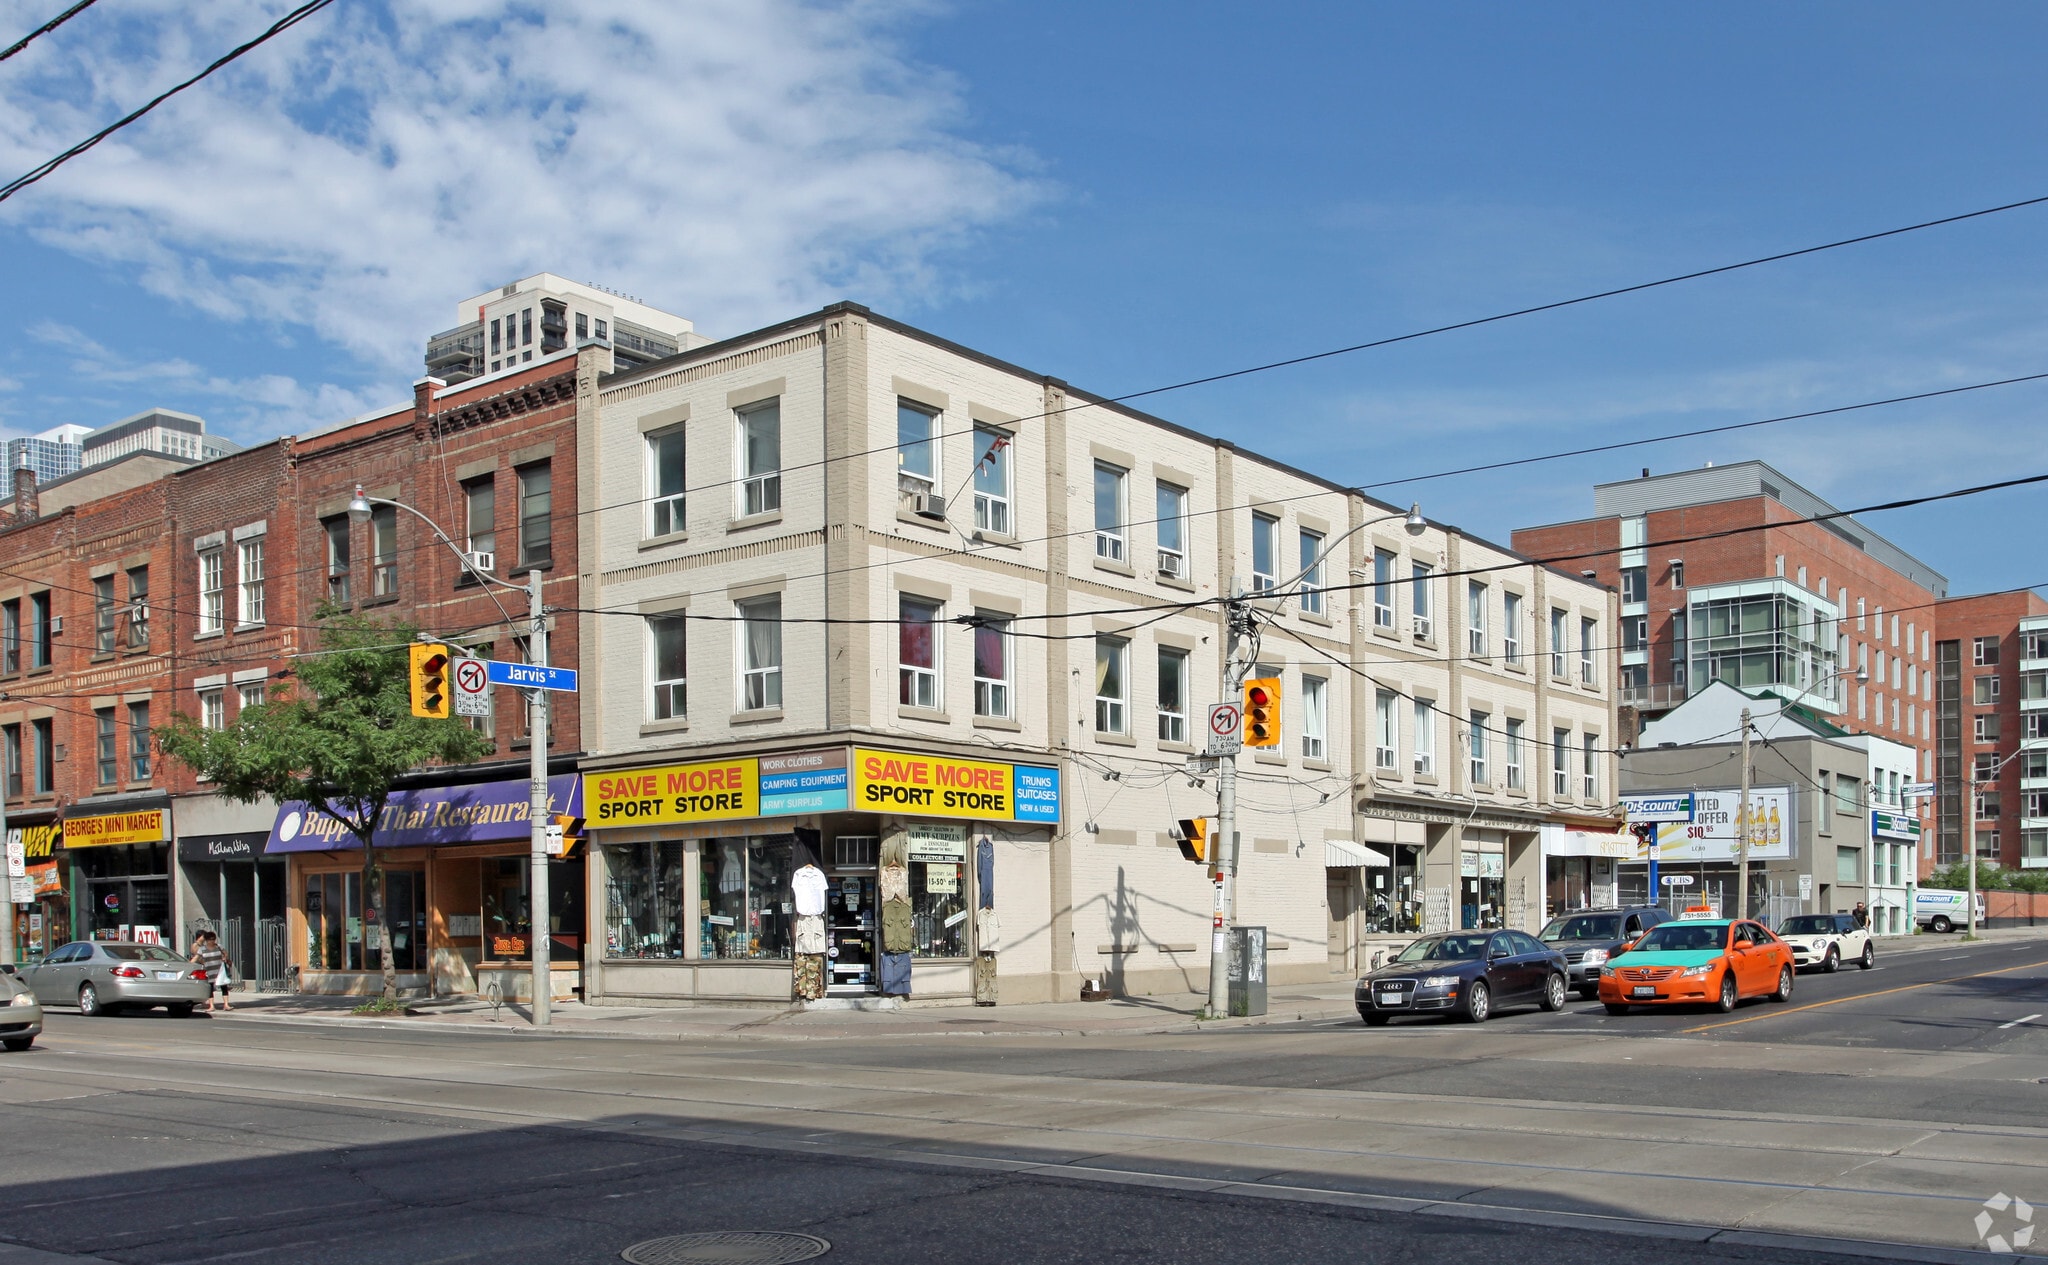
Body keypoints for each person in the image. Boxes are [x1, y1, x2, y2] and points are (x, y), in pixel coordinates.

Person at [192, 931, 229, 1014]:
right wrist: (190, 964)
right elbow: (196, 957)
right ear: (206, 940)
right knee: (210, 988)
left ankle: (226, 1004)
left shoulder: (219, 946)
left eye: (213, 939)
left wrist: (225, 958)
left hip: (220, 970)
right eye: (210, 939)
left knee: (224, 987)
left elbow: (225, 953)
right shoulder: (202, 949)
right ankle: (211, 1006)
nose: (212, 941)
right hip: (209, 970)